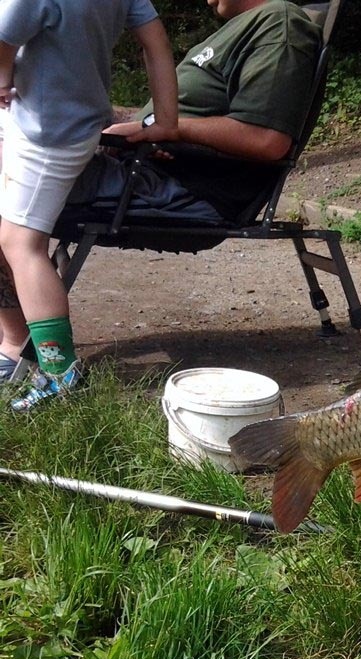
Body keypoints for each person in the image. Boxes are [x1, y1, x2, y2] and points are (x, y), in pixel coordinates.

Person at [0, 0, 321, 407]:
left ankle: (48, 367)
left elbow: (268, 141)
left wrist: (168, 131)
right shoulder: (234, 29)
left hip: (175, 189)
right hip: (139, 162)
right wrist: (146, 129)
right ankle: (16, 347)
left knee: (18, 237)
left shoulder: (282, 23)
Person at [0, 0, 179, 409]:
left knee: (20, 243)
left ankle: (59, 375)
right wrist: (166, 119)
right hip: (78, 125)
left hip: (46, 133)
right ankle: (15, 349)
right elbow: (157, 43)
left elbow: (2, 41)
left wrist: (2, 78)